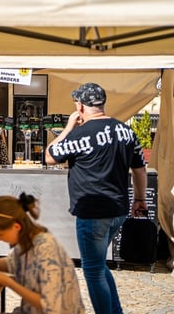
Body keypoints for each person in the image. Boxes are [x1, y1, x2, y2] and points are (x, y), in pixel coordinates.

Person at [45, 82, 147, 314]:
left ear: (80, 106)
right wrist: (140, 200)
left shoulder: (78, 134)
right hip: (118, 210)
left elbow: (50, 157)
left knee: (92, 270)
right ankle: (115, 311)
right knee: (99, 264)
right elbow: (139, 170)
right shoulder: (126, 131)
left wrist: (68, 127)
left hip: (92, 211)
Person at [0, 194, 84, 314]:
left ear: (16, 226)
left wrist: (9, 282)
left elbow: (50, 305)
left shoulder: (46, 249)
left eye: (0, 234)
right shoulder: (27, 242)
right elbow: (12, 263)